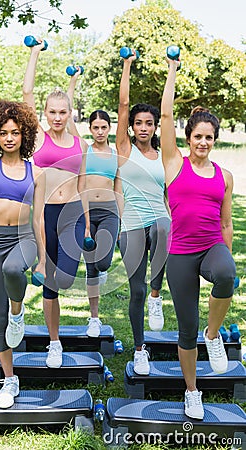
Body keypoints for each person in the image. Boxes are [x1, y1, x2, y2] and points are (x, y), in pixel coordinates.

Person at [160, 55, 236, 420]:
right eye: (197, 136)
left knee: (226, 274)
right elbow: (164, 119)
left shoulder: (225, 176)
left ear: (214, 140)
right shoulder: (175, 163)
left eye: (209, 137)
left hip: (211, 246)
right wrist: (172, 73)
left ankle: (215, 333)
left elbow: (226, 222)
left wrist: (228, 254)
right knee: (185, 327)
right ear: (188, 138)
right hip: (180, 254)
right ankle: (192, 391)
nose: (203, 142)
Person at [0, 63, 46, 409]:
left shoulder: (36, 172)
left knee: (15, 271)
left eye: (15, 132)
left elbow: (41, 219)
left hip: (23, 239)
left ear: (24, 134)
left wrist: (44, 259)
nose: (9, 137)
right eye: (3, 132)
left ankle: (19, 310)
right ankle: (10, 379)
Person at [23, 42, 90, 368]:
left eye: (63, 112)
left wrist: (89, 223)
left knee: (63, 278)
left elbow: (83, 186)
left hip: (73, 213)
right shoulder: (39, 137)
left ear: (70, 113)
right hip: (45, 211)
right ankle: (54, 342)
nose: (58, 117)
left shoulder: (80, 143)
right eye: (52, 112)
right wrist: (35, 53)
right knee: (50, 284)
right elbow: (27, 95)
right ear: (45, 114)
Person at [116, 51, 170, 375]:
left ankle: (156, 294)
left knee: (164, 226)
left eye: (149, 123)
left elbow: (167, 194)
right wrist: (127, 66)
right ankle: (139, 349)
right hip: (131, 224)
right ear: (132, 126)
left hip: (158, 220)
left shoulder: (164, 155)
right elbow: (123, 105)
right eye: (139, 123)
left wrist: (171, 70)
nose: (144, 127)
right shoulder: (125, 149)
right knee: (134, 290)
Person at [67, 70, 123, 337]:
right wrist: (74, 81)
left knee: (102, 262)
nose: (99, 131)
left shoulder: (116, 153)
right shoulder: (85, 149)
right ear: (90, 129)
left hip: (111, 211)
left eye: (104, 127)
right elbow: (67, 122)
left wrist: (123, 221)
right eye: (95, 127)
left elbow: (119, 187)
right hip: (87, 212)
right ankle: (94, 318)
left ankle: (103, 269)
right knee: (91, 268)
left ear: (109, 128)